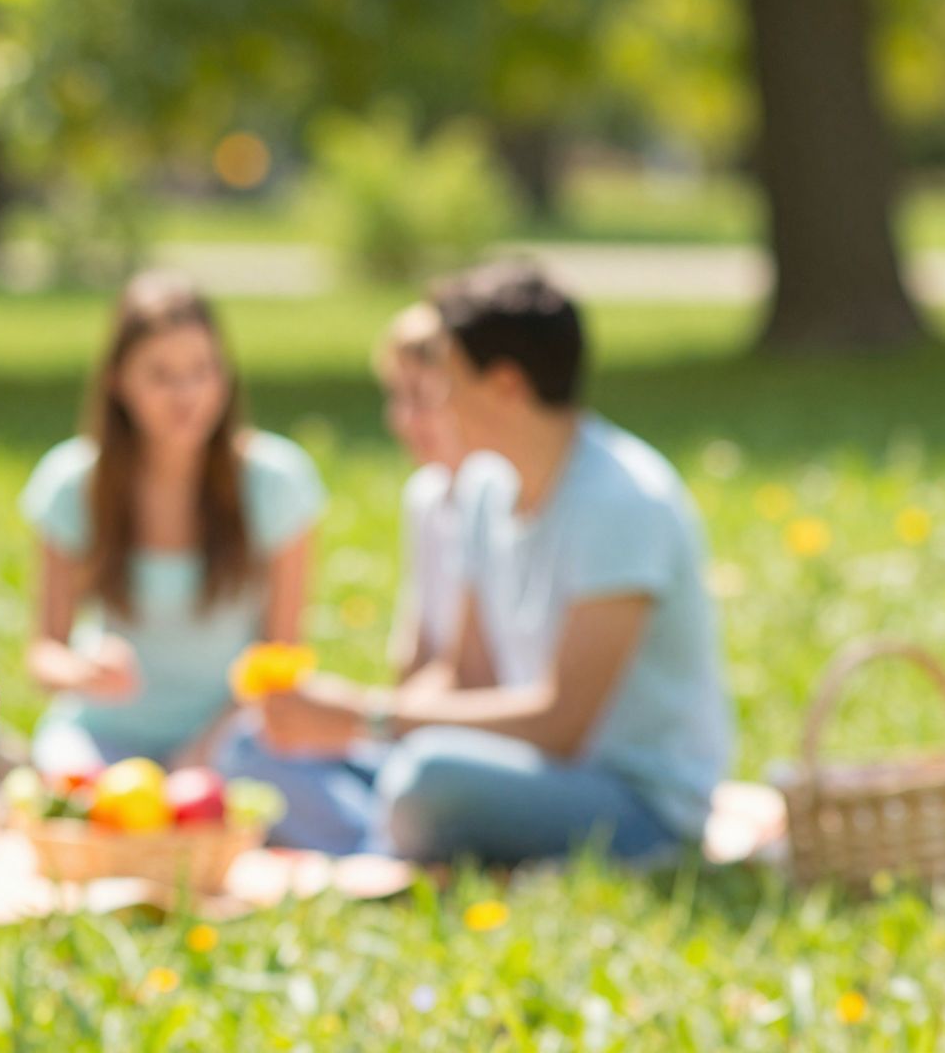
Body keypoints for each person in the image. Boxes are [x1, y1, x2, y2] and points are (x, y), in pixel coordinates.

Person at [225, 263, 735, 864]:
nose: (436, 403)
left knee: (428, 780)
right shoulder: (485, 489)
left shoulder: (622, 501)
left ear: (505, 387)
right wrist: (332, 722)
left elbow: (561, 725)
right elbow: (466, 675)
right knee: (251, 749)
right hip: (519, 768)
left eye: (447, 381)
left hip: (634, 804)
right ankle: (386, 836)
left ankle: (374, 841)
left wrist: (368, 717)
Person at [21, 271, 326, 776]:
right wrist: (81, 670)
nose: (187, 395)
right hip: (104, 735)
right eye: (161, 375)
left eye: (203, 371)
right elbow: (43, 653)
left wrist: (201, 755)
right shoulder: (73, 483)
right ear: (117, 381)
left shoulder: (276, 481)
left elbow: (281, 661)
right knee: (76, 792)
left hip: (233, 737)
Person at [374, 303, 470, 685]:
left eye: (422, 396)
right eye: (397, 395)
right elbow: (415, 646)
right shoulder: (426, 495)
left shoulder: (505, 499)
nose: (403, 418)